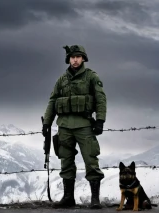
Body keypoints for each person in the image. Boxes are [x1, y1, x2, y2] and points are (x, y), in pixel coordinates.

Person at [42, 45, 106, 209]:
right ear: (68, 59)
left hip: (84, 125)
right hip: (64, 126)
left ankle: (95, 199)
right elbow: (52, 101)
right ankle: (68, 197)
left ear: (83, 58)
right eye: (72, 57)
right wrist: (47, 122)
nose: (75, 60)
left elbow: (100, 99)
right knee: (66, 161)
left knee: (91, 160)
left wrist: (100, 120)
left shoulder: (91, 77)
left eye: (78, 56)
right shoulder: (61, 80)